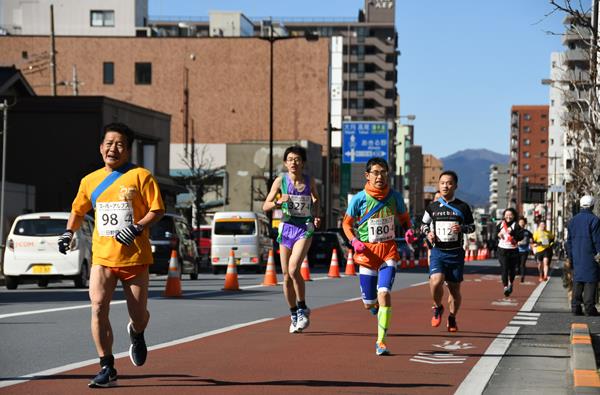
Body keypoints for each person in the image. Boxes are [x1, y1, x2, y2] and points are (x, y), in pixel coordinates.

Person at [58, 123, 165, 388]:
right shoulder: (90, 180)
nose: (112, 148)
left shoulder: (141, 176)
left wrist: (137, 227)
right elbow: (78, 211)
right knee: (97, 307)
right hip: (103, 258)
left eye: (119, 144)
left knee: (139, 315)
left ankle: (137, 333)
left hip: (135, 259)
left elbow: (157, 209)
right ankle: (107, 366)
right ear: (101, 148)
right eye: (108, 143)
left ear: (128, 150)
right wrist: (67, 234)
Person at [342, 157, 411, 356]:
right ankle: (373, 308)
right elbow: (346, 224)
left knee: (384, 294)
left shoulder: (395, 196)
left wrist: (408, 230)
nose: (379, 176)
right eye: (375, 172)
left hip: (388, 251)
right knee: (368, 303)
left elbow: (404, 218)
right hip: (367, 254)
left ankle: (381, 342)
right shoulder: (359, 199)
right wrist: (354, 241)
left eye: (383, 172)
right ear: (367, 175)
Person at [263, 146, 320, 334]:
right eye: (290, 159)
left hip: (304, 228)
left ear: (303, 162)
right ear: (285, 163)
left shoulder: (309, 181)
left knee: (294, 268)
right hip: (286, 228)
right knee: (286, 275)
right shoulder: (280, 181)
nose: (293, 162)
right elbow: (266, 205)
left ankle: (303, 308)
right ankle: (294, 313)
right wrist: (279, 201)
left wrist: (316, 215)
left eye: (297, 159)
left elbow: (316, 199)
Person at [421, 171, 475, 333]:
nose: (445, 186)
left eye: (449, 183)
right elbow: (423, 224)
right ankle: (438, 306)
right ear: (439, 185)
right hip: (438, 251)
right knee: (435, 281)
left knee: (454, 290)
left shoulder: (463, 207)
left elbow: (472, 227)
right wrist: (428, 233)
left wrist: (462, 228)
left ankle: (452, 316)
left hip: (456, 253)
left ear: (455, 186)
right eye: (443, 183)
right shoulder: (432, 206)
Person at [566, 195, 600, 316]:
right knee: (590, 280)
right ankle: (589, 307)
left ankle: (575, 306)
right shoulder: (594, 220)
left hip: (576, 254)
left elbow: (568, 241)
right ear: (592, 206)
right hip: (590, 255)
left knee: (578, 279)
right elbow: (597, 240)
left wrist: (570, 256)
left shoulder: (572, 221)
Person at [496, 208, 524, 296]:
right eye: (506, 215)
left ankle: (511, 283)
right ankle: (505, 287)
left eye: (510, 215)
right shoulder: (500, 224)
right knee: (504, 268)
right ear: (504, 216)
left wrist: (512, 233)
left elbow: (520, 237)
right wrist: (498, 234)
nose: (508, 217)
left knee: (512, 270)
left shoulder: (516, 225)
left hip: (513, 250)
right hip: (502, 250)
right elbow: (495, 233)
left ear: (514, 216)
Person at [516, 216, 533, 282]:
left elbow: (532, 237)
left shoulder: (527, 232)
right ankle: (518, 270)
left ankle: (522, 276)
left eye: (523, 222)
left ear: (525, 224)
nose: (522, 223)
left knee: (522, 264)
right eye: (520, 222)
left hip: (524, 250)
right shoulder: (515, 231)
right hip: (516, 250)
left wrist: (531, 241)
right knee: (517, 264)